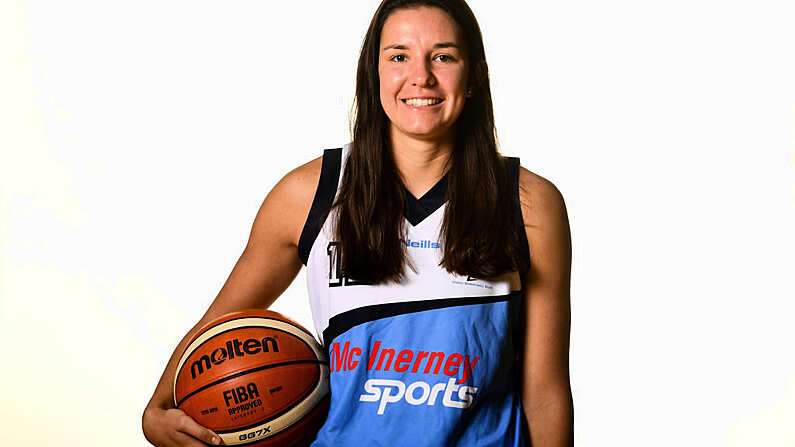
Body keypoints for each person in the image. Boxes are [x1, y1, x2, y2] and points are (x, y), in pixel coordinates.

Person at [142, 0, 573, 445]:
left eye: (443, 56)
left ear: (475, 77)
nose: (420, 77)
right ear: (374, 73)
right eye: (399, 56)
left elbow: (545, 393)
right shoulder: (309, 194)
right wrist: (157, 411)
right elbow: (218, 329)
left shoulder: (528, 203)